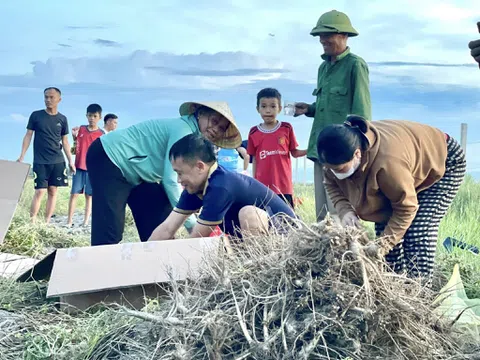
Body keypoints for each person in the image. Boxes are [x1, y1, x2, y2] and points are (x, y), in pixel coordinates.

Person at [316, 115, 466, 280]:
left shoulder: (388, 163)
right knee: (385, 229)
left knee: (417, 230)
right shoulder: (333, 156)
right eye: (330, 169)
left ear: (357, 153)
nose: (334, 173)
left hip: (444, 160)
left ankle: (420, 291)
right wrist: (345, 211)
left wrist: (381, 246)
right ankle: (393, 283)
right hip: (406, 169)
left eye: (340, 169)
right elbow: (331, 183)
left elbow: (406, 208)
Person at [86, 101, 242, 246]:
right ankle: (100, 269)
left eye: (221, 128)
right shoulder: (183, 130)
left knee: (159, 220)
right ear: (200, 113)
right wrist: (192, 225)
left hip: (141, 174)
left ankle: (155, 268)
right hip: (109, 156)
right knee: (110, 231)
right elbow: (171, 180)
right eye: (214, 121)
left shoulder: (196, 143)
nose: (216, 129)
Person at [293, 10, 371, 221]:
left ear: (344, 35)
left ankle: (344, 252)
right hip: (321, 148)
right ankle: (323, 252)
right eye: (320, 35)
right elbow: (328, 106)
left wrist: (358, 150)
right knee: (323, 213)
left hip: (342, 151)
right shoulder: (323, 68)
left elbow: (361, 113)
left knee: (340, 210)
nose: (322, 40)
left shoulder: (355, 65)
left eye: (327, 35)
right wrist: (309, 109)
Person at [148, 133, 297, 241]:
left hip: (287, 238)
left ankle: (259, 274)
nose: (179, 180)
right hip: (254, 239)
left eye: (180, 173)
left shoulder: (221, 186)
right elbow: (167, 228)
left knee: (248, 214)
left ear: (200, 167)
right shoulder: (195, 187)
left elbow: (196, 240)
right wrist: (145, 254)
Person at [16, 87, 75, 224]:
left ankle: (47, 222)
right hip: (40, 161)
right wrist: (22, 156)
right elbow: (28, 135)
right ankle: (32, 222)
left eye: (51, 97)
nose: (48, 100)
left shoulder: (62, 119)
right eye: (46, 97)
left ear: (59, 99)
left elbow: (65, 141)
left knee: (53, 191)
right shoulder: (36, 116)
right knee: (40, 191)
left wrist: (70, 161)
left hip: (57, 160)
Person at [247, 88, 306, 209]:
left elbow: (294, 153)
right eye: (263, 106)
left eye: (273, 106)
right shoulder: (254, 132)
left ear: (279, 108)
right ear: (257, 109)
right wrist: (255, 182)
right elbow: (255, 159)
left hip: (284, 186)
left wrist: (312, 149)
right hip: (263, 187)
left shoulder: (286, 128)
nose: (268, 110)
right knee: (264, 220)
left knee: (287, 221)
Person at [67, 104, 105, 227]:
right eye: (89, 115)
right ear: (86, 116)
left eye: (95, 116)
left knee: (89, 195)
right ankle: (69, 221)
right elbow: (74, 150)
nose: (92, 118)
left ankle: (86, 221)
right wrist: (74, 138)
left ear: (99, 117)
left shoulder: (101, 134)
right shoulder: (80, 130)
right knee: (74, 194)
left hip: (93, 169)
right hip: (79, 166)